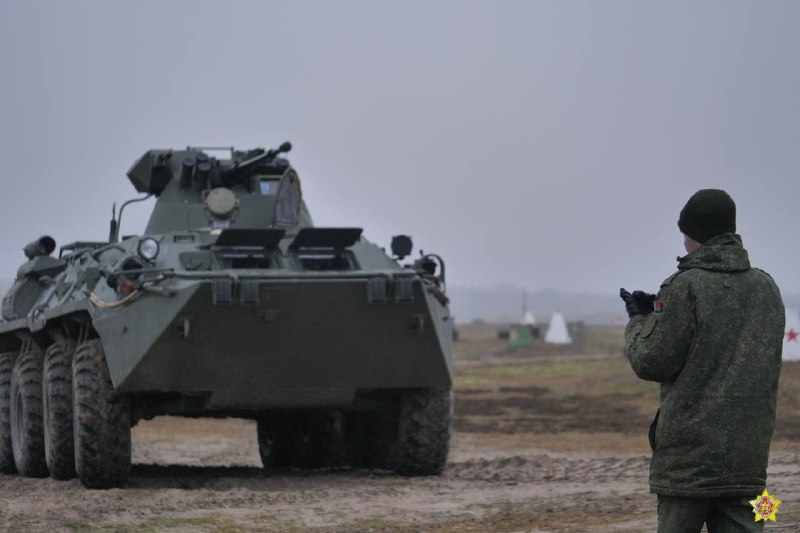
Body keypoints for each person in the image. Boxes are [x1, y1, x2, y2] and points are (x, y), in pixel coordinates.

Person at [620, 189, 784, 533]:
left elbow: (651, 361)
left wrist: (639, 321)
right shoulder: (767, 289)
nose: (683, 241)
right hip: (749, 465)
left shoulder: (685, 286)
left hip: (688, 468)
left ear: (694, 233)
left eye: (685, 232)